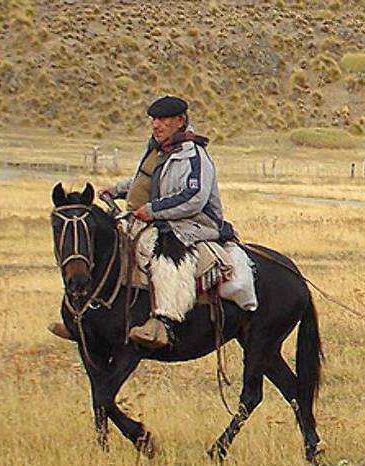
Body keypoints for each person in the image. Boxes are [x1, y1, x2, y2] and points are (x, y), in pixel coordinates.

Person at [50, 95, 236, 349]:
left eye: (163, 120)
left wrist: (153, 210)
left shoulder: (195, 155)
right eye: (154, 120)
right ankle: (84, 317)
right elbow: (146, 182)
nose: (156, 125)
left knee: (165, 255)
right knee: (108, 244)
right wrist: (117, 190)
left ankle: (164, 321)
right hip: (160, 217)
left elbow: (194, 197)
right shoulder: (158, 150)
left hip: (192, 222)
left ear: (180, 121)